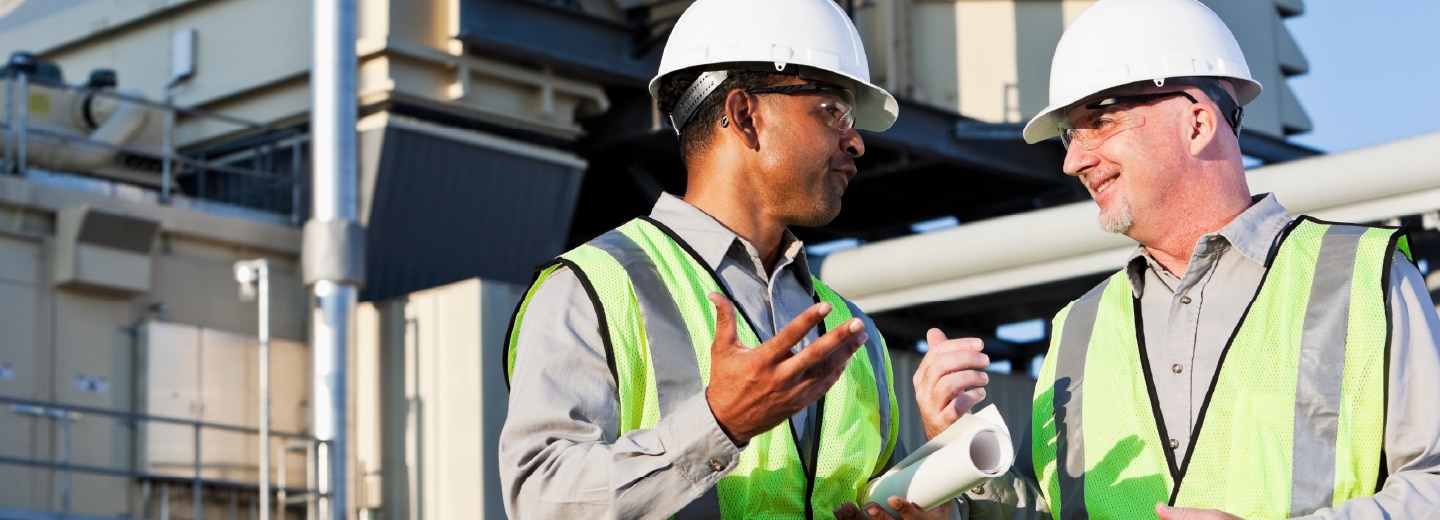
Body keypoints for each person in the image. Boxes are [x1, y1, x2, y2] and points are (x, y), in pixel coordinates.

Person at [499, 0, 990, 517]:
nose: (856, 141)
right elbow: (542, 501)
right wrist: (720, 423)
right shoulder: (590, 289)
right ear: (743, 115)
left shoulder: (854, 331)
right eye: (832, 110)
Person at [958, 0, 1440, 518]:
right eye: (1069, 135)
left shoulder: (1364, 277)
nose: (1073, 160)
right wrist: (962, 468)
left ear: (1197, 123)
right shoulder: (1077, 328)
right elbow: (1047, 510)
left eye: (1099, 123)